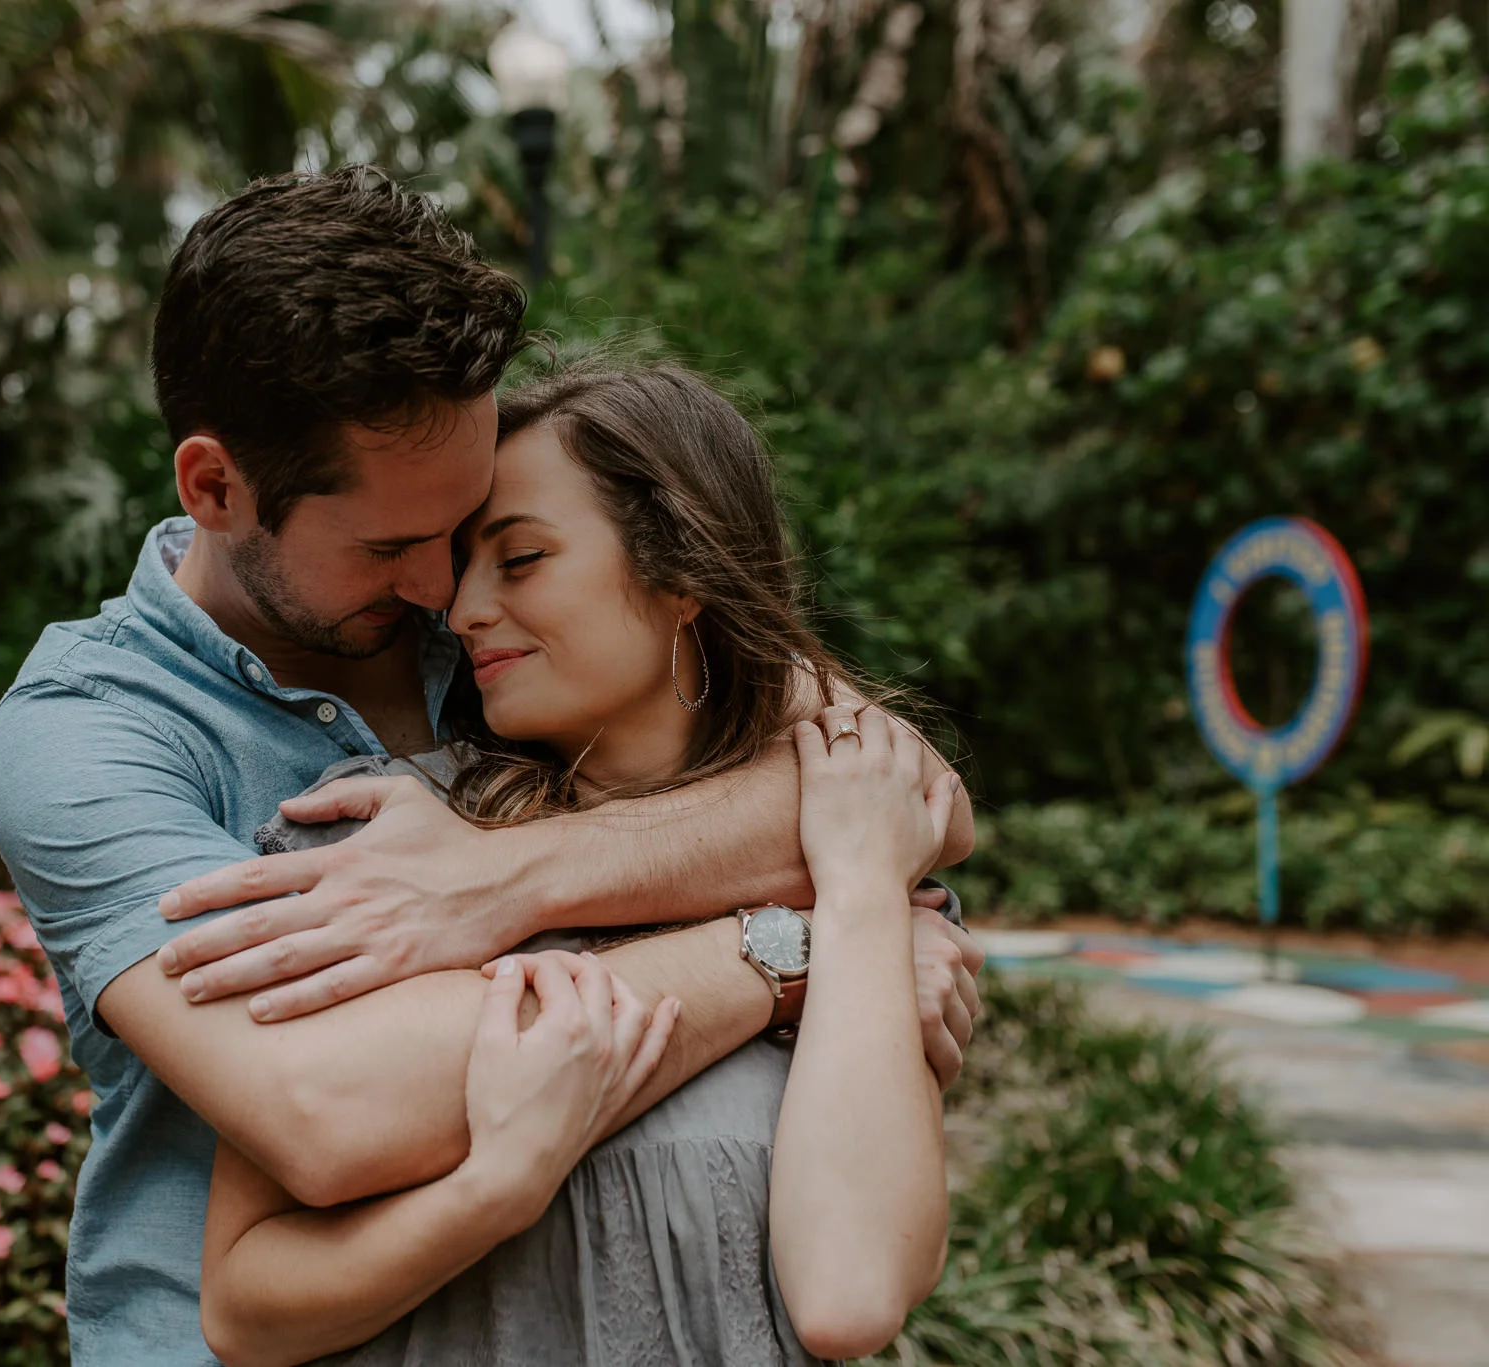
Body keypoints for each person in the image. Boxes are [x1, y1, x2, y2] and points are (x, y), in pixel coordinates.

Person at [0, 165, 983, 1367]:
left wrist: (508, 881)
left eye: (470, 527)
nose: (443, 591)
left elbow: (901, 789)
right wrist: (807, 945)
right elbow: (325, 1110)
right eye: (395, 544)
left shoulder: (513, 621)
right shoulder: (89, 731)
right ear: (214, 486)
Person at [195, 364, 960, 1366]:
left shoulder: (856, 870)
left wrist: (859, 890)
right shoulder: (377, 851)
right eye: (464, 566)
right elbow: (244, 1307)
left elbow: (848, 1295)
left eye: (518, 560)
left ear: (683, 574)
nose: (460, 606)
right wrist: (489, 1190)